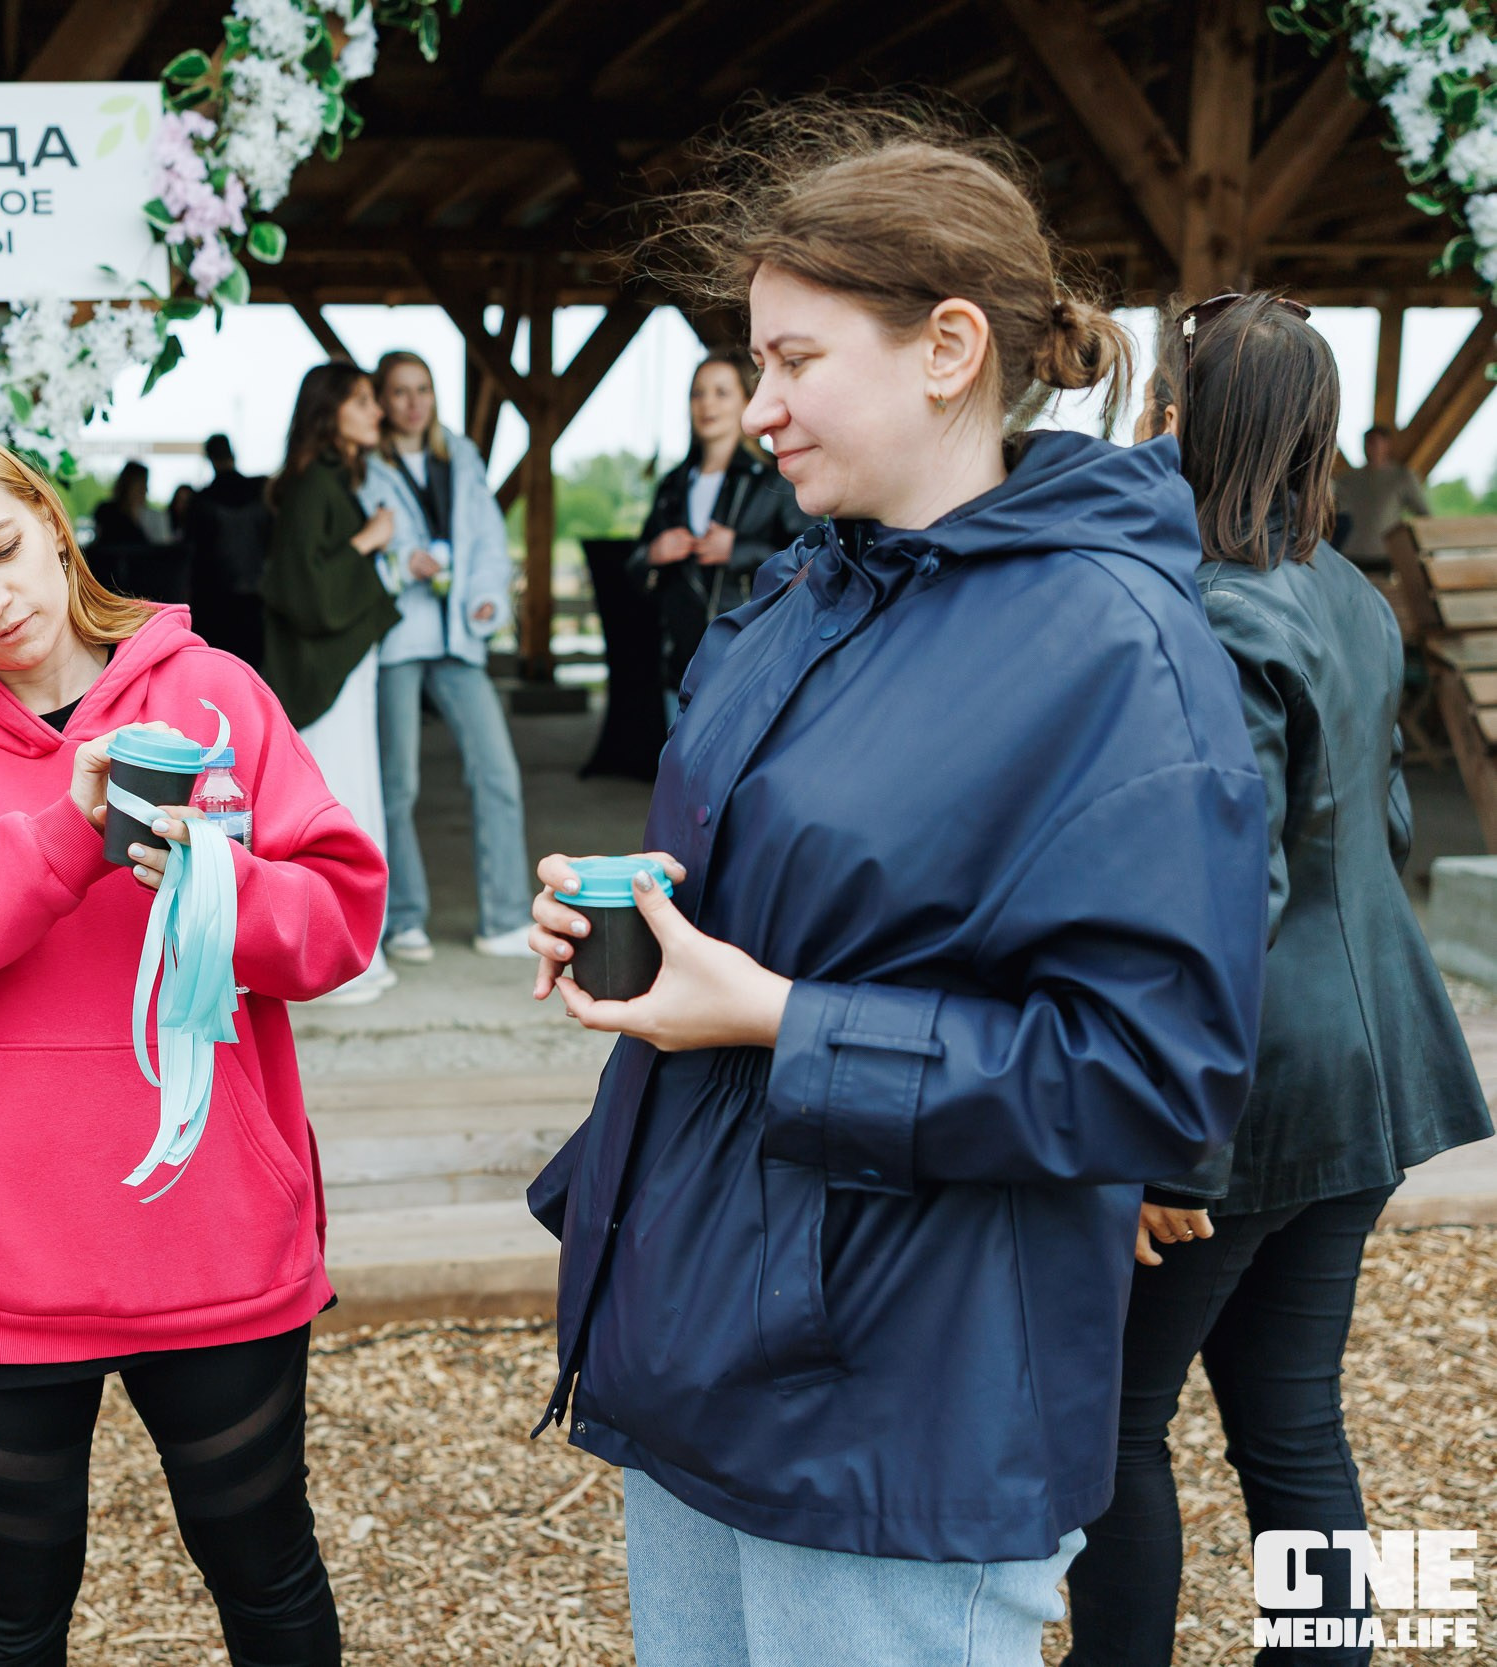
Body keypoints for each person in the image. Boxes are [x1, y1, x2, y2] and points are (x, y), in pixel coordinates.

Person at [523, 107, 1270, 1666]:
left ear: (948, 347)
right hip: (699, 1327)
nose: (763, 407)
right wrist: (638, 928)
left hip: (900, 1388)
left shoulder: (1114, 646)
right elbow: (755, 901)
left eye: (796, 362)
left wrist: (782, 1018)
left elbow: (1150, 1073)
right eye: (757, 364)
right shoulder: (796, 591)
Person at [0, 422, 386, 1666]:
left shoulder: (216, 692)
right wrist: (56, 843)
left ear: (50, 518)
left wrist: (221, 883)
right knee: (9, 1611)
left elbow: (339, 922)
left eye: (2, 549)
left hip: (211, 1229)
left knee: (266, 1569)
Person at [1061, 294, 1492, 1666]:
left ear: (1179, 419)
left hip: (1245, 1092)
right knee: (1294, 1421)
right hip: (1376, 1059)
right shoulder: (1351, 593)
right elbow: (1394, 826)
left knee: (1116, 1422)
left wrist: (1166, 1146)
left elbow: (1222, 902)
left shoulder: (1202, 610)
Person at [360, 350, 535, 962]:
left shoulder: (460, 457)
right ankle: (405, 918)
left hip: (459, 632)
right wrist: (402, 561)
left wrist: (488, 600)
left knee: (497, 773)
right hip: (401, 638)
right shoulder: (364, 464)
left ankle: (506, 917)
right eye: (401, 391)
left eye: (423, 390)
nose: (413, 402)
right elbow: (364, 550)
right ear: (381, 401)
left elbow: (488, 538)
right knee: (397, 784)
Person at [263, 362, 405, 1004]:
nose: (378, 412)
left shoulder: (325, 483)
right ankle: (335, 961)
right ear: (331, 411)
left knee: (353, 798)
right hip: (326, 675)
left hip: (345, 671)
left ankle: (352, 951)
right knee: (337, 805)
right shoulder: (312, 486)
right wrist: (368, 541)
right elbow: (304, 591)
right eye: (365, 400)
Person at [636, 347, 814, 720]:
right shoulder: (672, 485)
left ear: (746, 403)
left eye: (721, 392)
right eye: (697, 393)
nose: (706, 404)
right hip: (680, 664)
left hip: (749, 660)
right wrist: (654, 553)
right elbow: (634, 567)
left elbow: (815, 558)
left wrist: (738, 550)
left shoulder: (775, 478)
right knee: (680, 776)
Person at [184, 432, 272, 667]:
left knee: (218, 670)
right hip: (256, 598)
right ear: (232, 453)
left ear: (210, 458)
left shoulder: (201, 501)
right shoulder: (261, 492)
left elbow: (191, 554)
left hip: (214, 603)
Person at [1333, 423, 1430, 567]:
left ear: (1387, 445)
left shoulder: (1402, 477)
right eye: (1367, 442)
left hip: (1386, 556)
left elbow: (1424, 515)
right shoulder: (1347, 479)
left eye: (1374, 442)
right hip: (1351, 554)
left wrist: (1415, 547)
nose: (1369, 447)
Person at [89, 459, 184, 603]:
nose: (146, 490)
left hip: (115, 587)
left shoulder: (107, 511)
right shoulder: (111, 513)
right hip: (125, 587)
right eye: (144, 484)